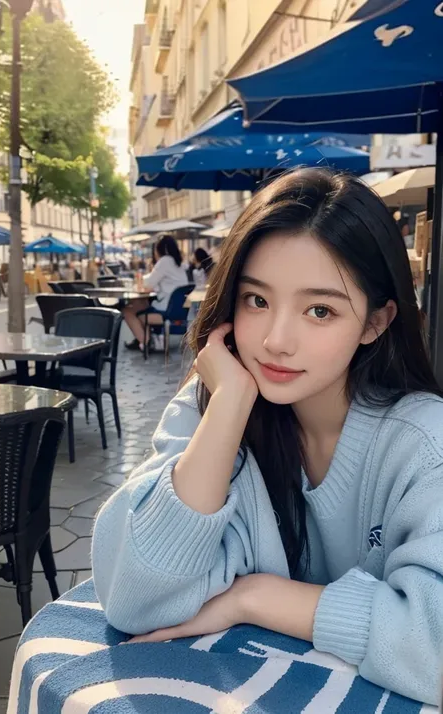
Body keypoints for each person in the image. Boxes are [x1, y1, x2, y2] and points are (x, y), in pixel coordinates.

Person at [92, 168, 443, 706]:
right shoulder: (210, 409)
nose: (277, 341)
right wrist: (230, 407)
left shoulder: (422, 443)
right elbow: (132, 599)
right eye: (257, 301)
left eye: (319, 310)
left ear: (376, 322)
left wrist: (256, 596)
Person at [123, 233, 188, 352]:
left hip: (166, 311)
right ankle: (143, 340)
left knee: (128, 311)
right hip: (179, 310)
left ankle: (145, 342)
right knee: (142, 305)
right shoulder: (179, 264)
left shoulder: (164, 261)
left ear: (159, 249)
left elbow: (148, 285)